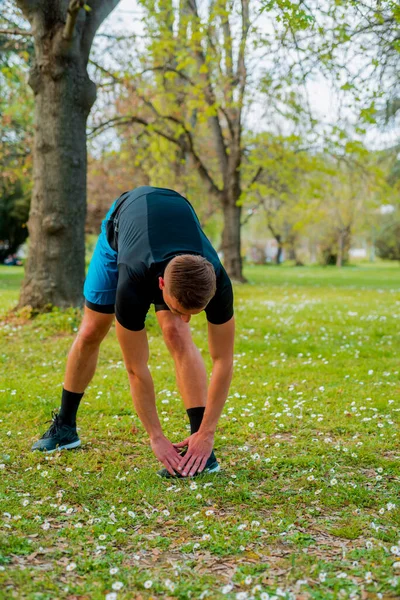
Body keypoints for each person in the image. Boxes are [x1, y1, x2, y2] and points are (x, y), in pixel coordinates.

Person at [32, 186, 235, 478]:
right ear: (161, 285)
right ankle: (65, 426)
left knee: (177, 332)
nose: (188, 319)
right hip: (123, 224)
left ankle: (200, 448)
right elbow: (135, 368)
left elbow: (223, 361)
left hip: (173, 220)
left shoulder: (217, 280)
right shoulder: (133, 281)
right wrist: (156, 437)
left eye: (195, 314)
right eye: (181, 310)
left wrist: (207, 433)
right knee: (92, 330)